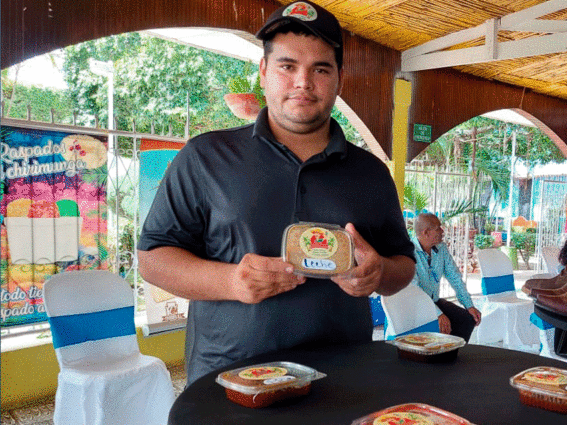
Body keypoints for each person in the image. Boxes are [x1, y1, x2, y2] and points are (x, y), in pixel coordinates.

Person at [136, 1, 416, 385]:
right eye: (287, 66)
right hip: (228, 381)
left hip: (341, 381)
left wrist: (379, 271)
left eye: (321, 68)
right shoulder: (206, 157)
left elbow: (404, 264)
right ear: (264, 72)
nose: (303, 82)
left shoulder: (371, 174)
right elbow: (152, 260)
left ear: (340, 79)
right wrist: (232, 281)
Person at [411, 213, 481, 342]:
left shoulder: (441, 248)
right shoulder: (409, 252)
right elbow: (414, 290)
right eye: (438, 228)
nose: (442, 231)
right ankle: (439, 356)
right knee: (441, 325)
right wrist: (437, 313)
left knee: (467, 319)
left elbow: (455, 277)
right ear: (426, 232)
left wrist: (469, 305)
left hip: (434, 301)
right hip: (416, 306)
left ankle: (451, 355)